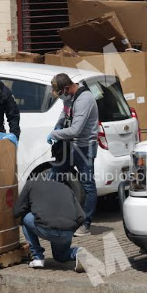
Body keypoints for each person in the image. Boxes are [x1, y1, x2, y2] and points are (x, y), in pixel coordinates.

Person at [47, 73, 99, 237]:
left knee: (88, 186)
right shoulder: (70, 96)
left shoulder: (84, 99)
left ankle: (86, 224)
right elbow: (65, 112)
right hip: (71, 147)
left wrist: (54, 134)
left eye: (61, 94)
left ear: (67, 88)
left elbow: (76, 130)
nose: (61, 97)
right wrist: (58, 125)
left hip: (85, 148)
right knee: (53, 179)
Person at [14, 177, 86, 271]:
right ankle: (77, 252)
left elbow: (17, 211)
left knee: (24, 217)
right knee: (60, 257)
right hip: (67, 232)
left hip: (45, 228)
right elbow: (82, 217)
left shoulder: (30, 184)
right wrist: (69, 229)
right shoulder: (66, 188)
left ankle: (37, 257)